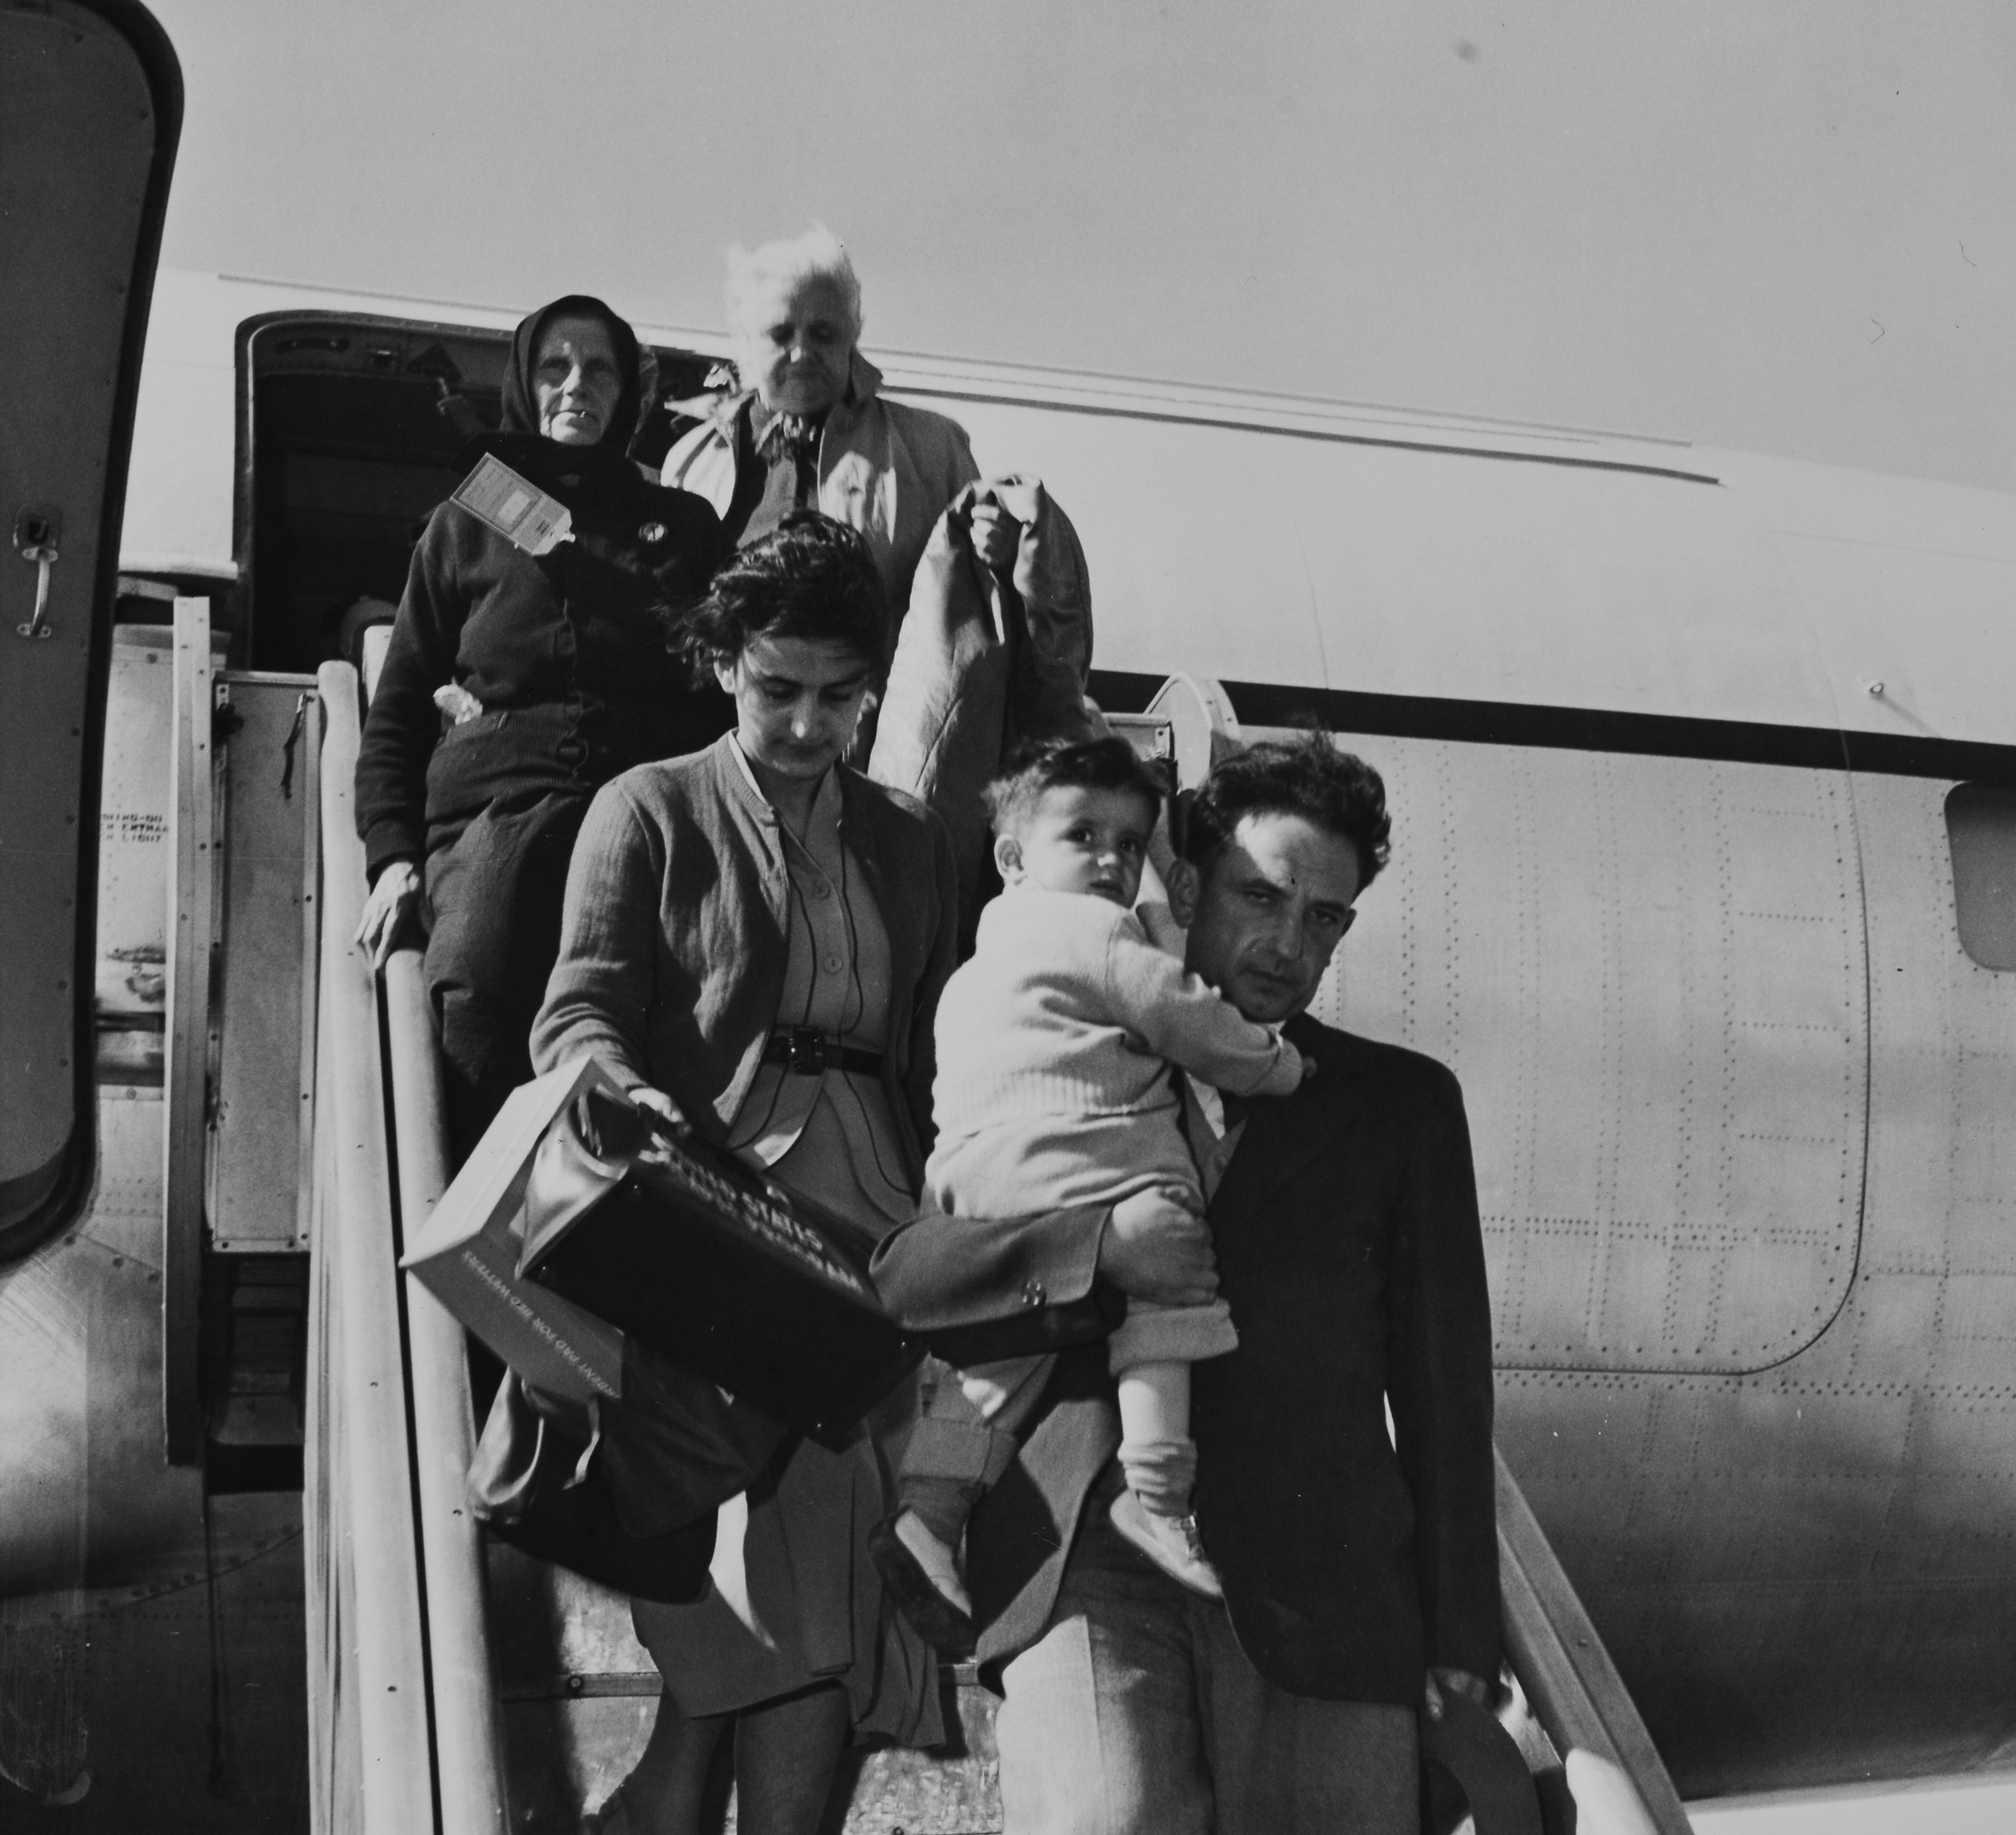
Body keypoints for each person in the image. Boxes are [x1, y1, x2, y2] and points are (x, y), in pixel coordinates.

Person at [870, 736, 1501, 1835]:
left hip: (1326, 1580)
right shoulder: (1040, 1026)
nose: (1287, 944)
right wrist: (1096, 1263)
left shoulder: (1395, 1106)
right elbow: (914, 1274)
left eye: (1327, 919)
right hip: (1097, 1548)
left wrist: (1464, 1644)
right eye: (1257, 898)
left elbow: (1445, 1386)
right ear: (1182, 876)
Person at [528, 515, 958, 1835]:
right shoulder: (647, 809)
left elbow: (934, 1037)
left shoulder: (907, 835)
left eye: (840, 696)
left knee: (833, 1597)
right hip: (726, 1221)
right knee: (806, 1593)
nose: (806, 724)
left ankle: (664, 1815)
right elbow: (577, 1010)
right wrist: (622, 1086)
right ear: (722, 664)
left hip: (879, 1218)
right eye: (777, 689)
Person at [876, 736, 1305, 1653]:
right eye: (1083, 836)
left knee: (998, 1360)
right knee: (1166, 1276)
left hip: (971, 1178)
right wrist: (1275, 1065)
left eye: (1129, 843)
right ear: (1012, 856)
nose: (1111, 860)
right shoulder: (1098, 934)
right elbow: (1181, 1014)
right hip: (1076, 1160)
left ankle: (929, 1512)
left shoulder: (977, 966)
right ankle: (1159, 1496)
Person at [354, 295, 730, 1159]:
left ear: (629, 394)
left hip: (647, 822)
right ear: (525, 383)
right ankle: (480, 1216)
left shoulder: (683, 528)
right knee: (479, 988)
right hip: (499, 818)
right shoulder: (465, 523)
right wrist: (391, 855)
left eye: (599, 369)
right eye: (554, 366)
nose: (575, 385)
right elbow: (400, 702)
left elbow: (724, 693)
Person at [662, 226, 1018, 652]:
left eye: (823, 333)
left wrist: (1002, 556)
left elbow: (983, 605)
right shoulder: (691, 462)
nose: (801, 352)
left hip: (879, 693)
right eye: (780, 334)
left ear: (853, 334)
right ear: (744, 340)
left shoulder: (934, 446)